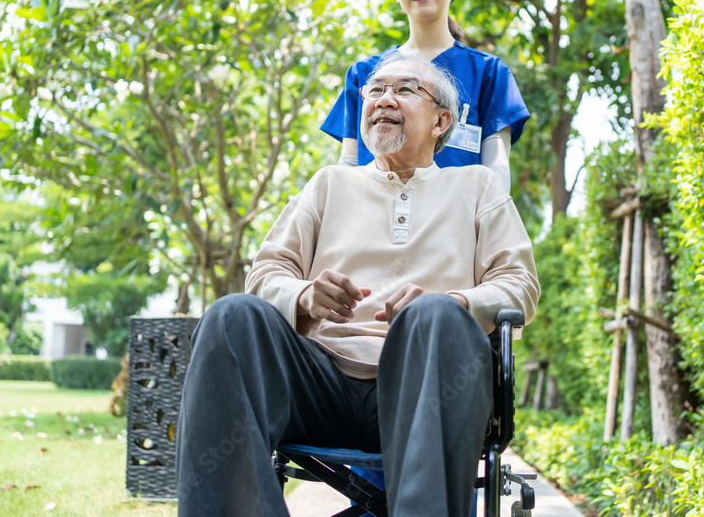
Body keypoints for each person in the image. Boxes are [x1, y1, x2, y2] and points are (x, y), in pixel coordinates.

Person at [176, 52, 539, 517]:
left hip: (428, 386)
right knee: (230, 317)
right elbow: (265, 274)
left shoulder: (478, 188)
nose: (384, 99)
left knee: (435, 316)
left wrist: (453, 301)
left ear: (441, 121)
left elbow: (519, 287)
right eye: (375, 90)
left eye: (405, 90)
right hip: (322, 384)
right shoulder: (329, 184)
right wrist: (304, 296)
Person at [321, 0, 531, 191]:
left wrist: (491, 224)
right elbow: (349, 162)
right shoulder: (364, 73)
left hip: (455, 223)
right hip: (375, 221)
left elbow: (496, 169)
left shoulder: (489, 72)